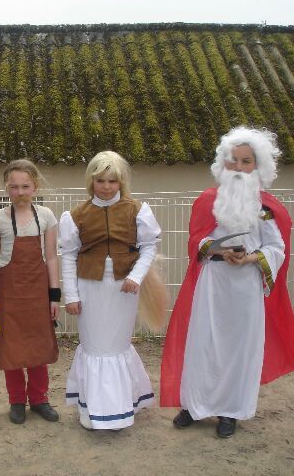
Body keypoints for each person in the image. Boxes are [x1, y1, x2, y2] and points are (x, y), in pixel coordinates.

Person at [161, 126, 294, 438]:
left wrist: (250, 258)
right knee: (201, 344)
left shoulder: (267, 208)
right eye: (233, 160)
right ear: (223, 163)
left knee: (238, 350)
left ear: (258, 165)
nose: (238, 167)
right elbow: (197, 241)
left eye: (246, 161)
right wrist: (216, 248)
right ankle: (193, 406)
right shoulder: (208, 200)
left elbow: (277, 248)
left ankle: (230, 412)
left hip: (246, 286)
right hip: (212, 282)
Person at [60, 151, 162, 431]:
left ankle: (121, 405)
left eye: (112, 181)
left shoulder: (137, 210)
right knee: (94, 346)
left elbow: (149, 247)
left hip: (123, 290)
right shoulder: (75, 216)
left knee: (116, 345)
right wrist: (71, 296)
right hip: (89, 288)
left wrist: (137, 277)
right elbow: (68, 255)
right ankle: (92, 410)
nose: (106, 187)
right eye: (100, 180)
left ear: (121, 182)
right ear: (91, 181)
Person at [0, 159, 60, 424]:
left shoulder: (47, 216)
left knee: (38, 346)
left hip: (38, 292)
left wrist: (54, 297)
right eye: (14, 187)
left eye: (25, 186)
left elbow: (51, 258)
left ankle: (39, 399)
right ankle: (16, 401)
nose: (20, 192)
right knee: (11, 348)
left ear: (35, 187)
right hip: (8, 292)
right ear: (6, 189)